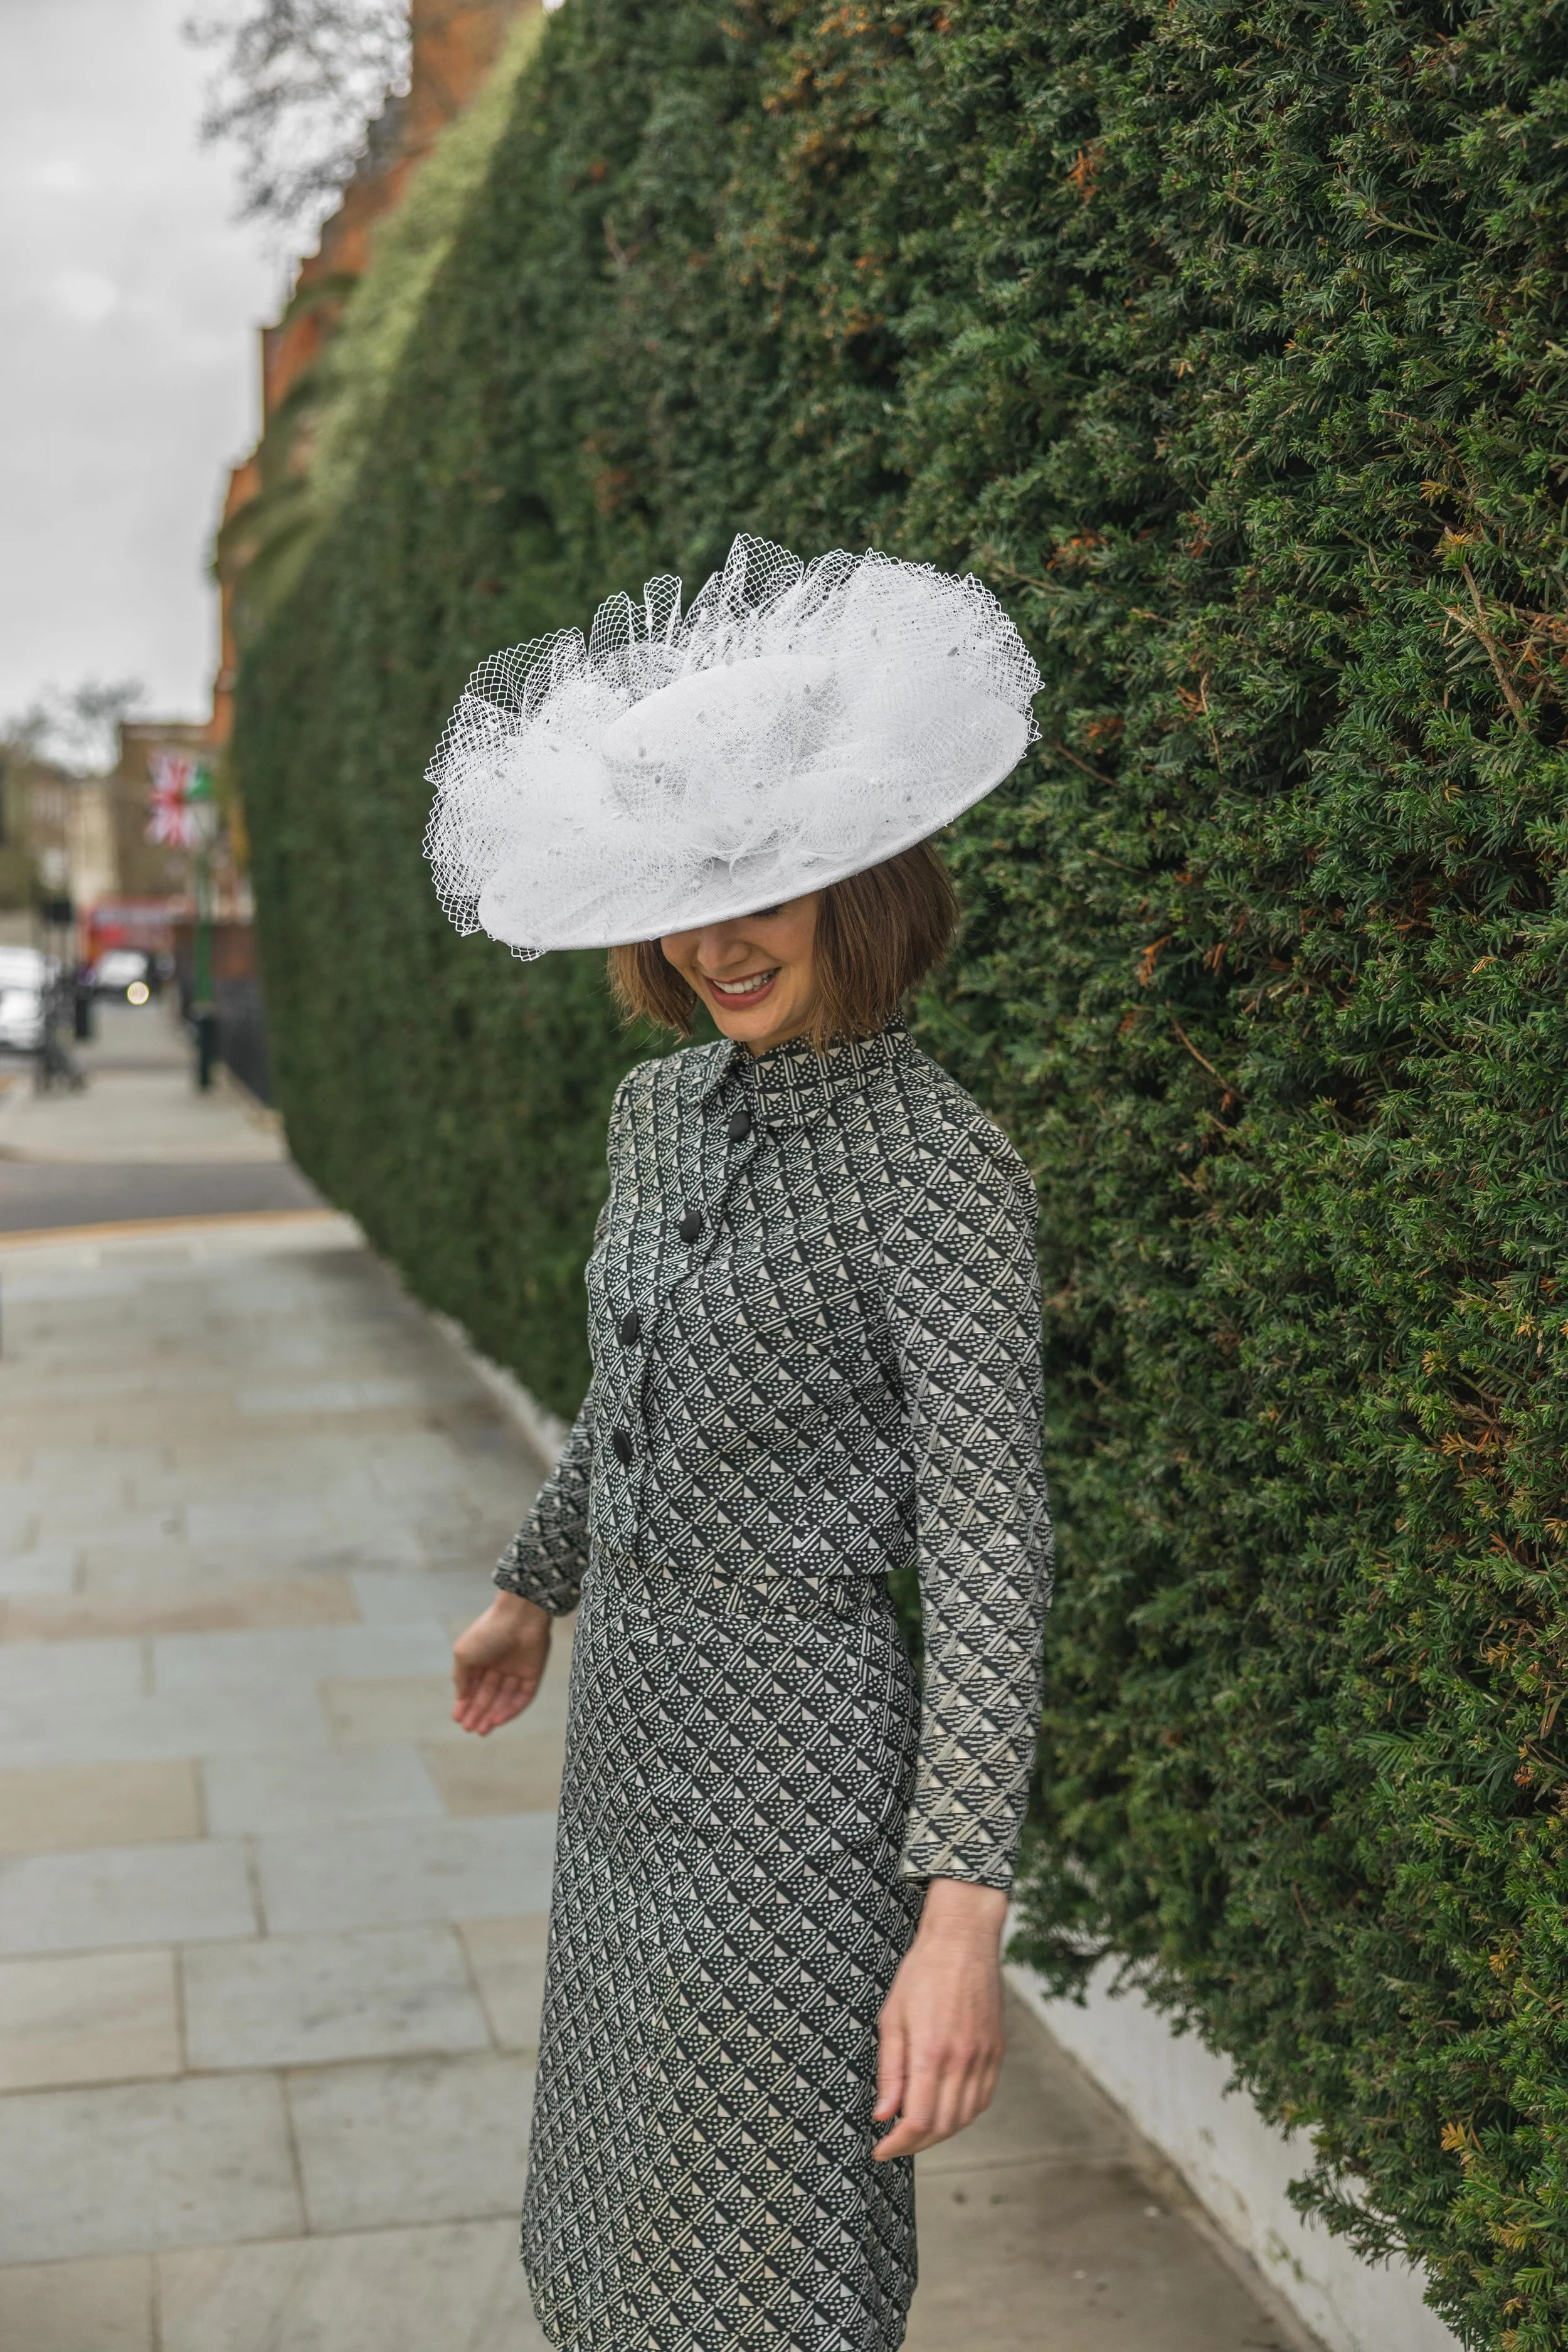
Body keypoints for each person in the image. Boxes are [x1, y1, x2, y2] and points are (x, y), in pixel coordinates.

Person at [433, 537, 1052, 2352]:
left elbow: (993, 1552)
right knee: (619, 2195)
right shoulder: (655, 1114)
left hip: (800, 1786)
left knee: (773, 2248)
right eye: (685, 886)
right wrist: (530, 1585)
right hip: (630, 1741)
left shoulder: (941, 1170)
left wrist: (956, 1918)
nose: (717, 934)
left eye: (764, 884)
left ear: (861, 884)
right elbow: (625, 1396)